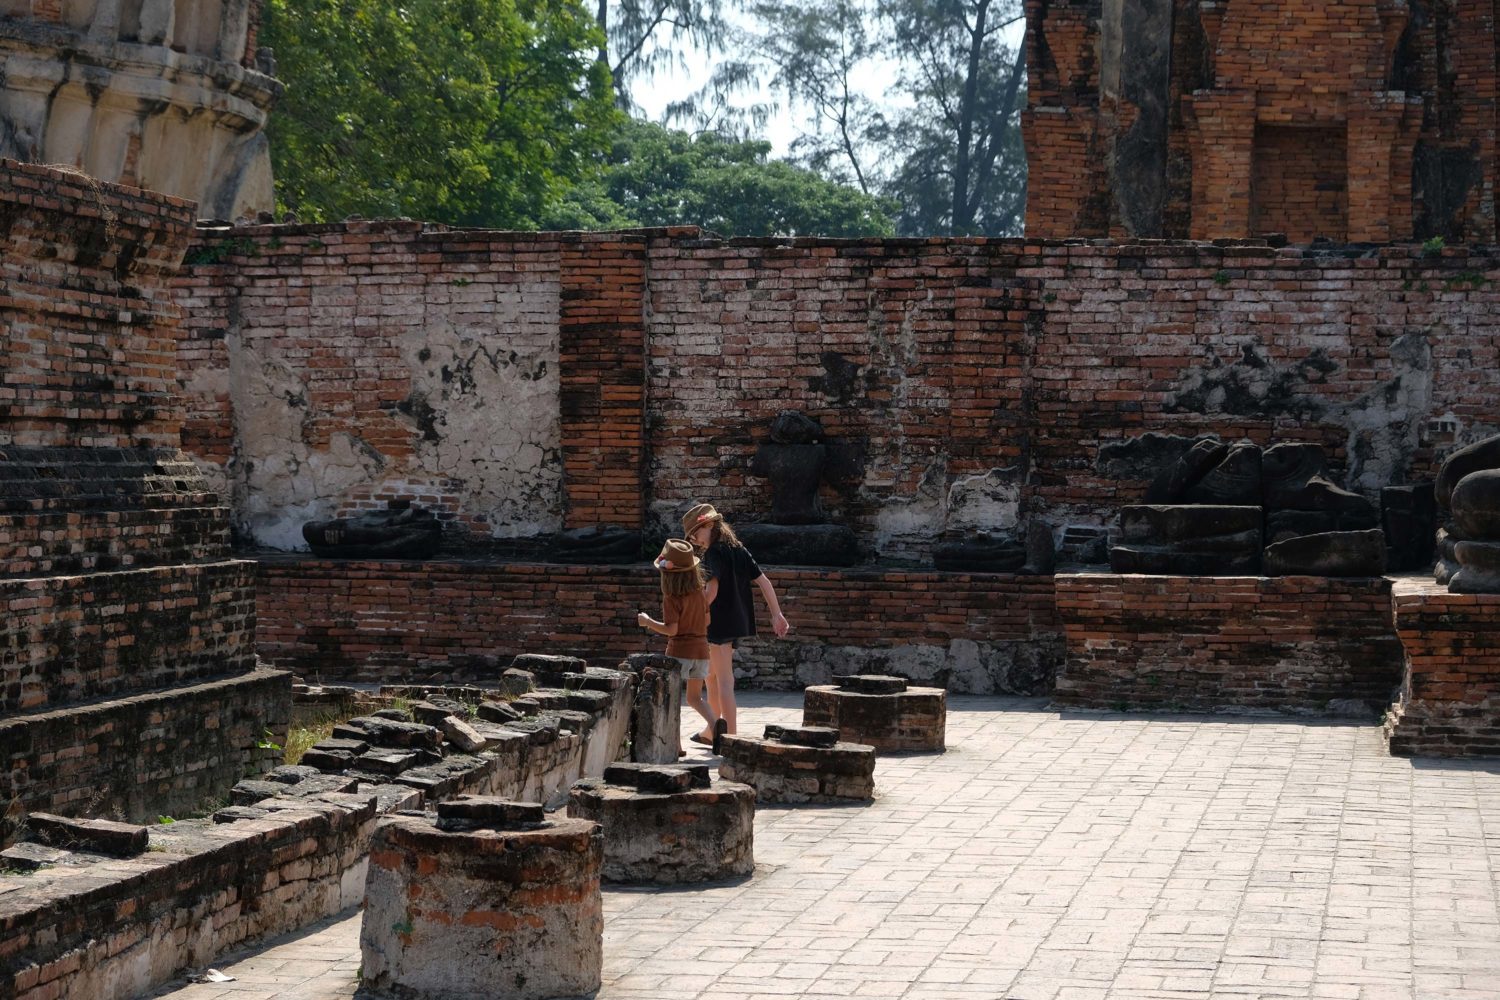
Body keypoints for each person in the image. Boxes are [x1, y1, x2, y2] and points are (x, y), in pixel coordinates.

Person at [682, 503, 790, 743]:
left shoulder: (713, 553)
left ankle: (730, 737)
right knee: (711, 677)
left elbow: (711, 592)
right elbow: (764, 582)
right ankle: (712, 730)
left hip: (718, 622)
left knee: (724, 680)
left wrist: (692, 608)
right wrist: (776, 614)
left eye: (695, 533)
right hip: (735, 620)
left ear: (709, 525)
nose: (694, 540)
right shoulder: (738, 549)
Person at [636, 538, 717, 756]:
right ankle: (716, 724)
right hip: (701, 650)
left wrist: (648, 622)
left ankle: (677, 746)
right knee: (695, 698)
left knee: (672, 700)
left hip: (680, 652)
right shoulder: (700, 593)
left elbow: (672, 630)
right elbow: (707, 622)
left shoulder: (672, 598)